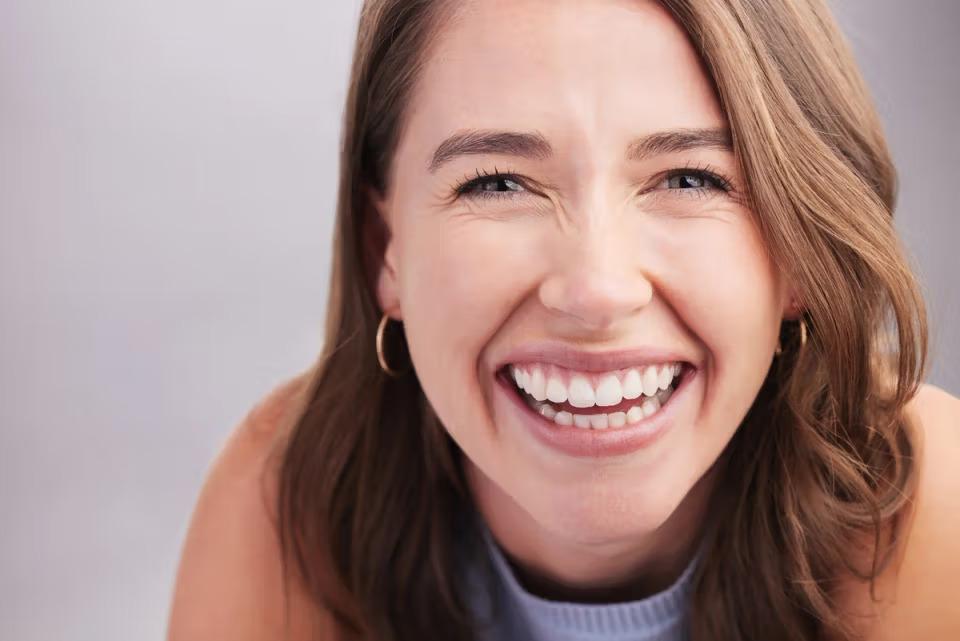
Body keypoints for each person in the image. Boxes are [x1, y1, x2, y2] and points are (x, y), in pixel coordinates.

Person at [166, 1, 960, 639]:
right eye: (498, 183)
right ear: (388, 251)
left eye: (689, 177)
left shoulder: (935, 516)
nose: (596, 290)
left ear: (798, 251)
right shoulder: (284, 511)